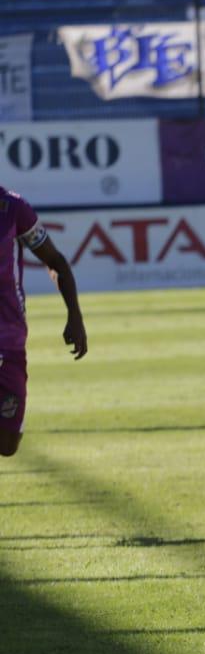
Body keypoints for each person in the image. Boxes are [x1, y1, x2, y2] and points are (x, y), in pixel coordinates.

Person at [0, 187, 88, 456]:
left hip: (9, 338)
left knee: (7, 445)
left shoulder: (14, 208)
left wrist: (74, 315)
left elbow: (56, 262)